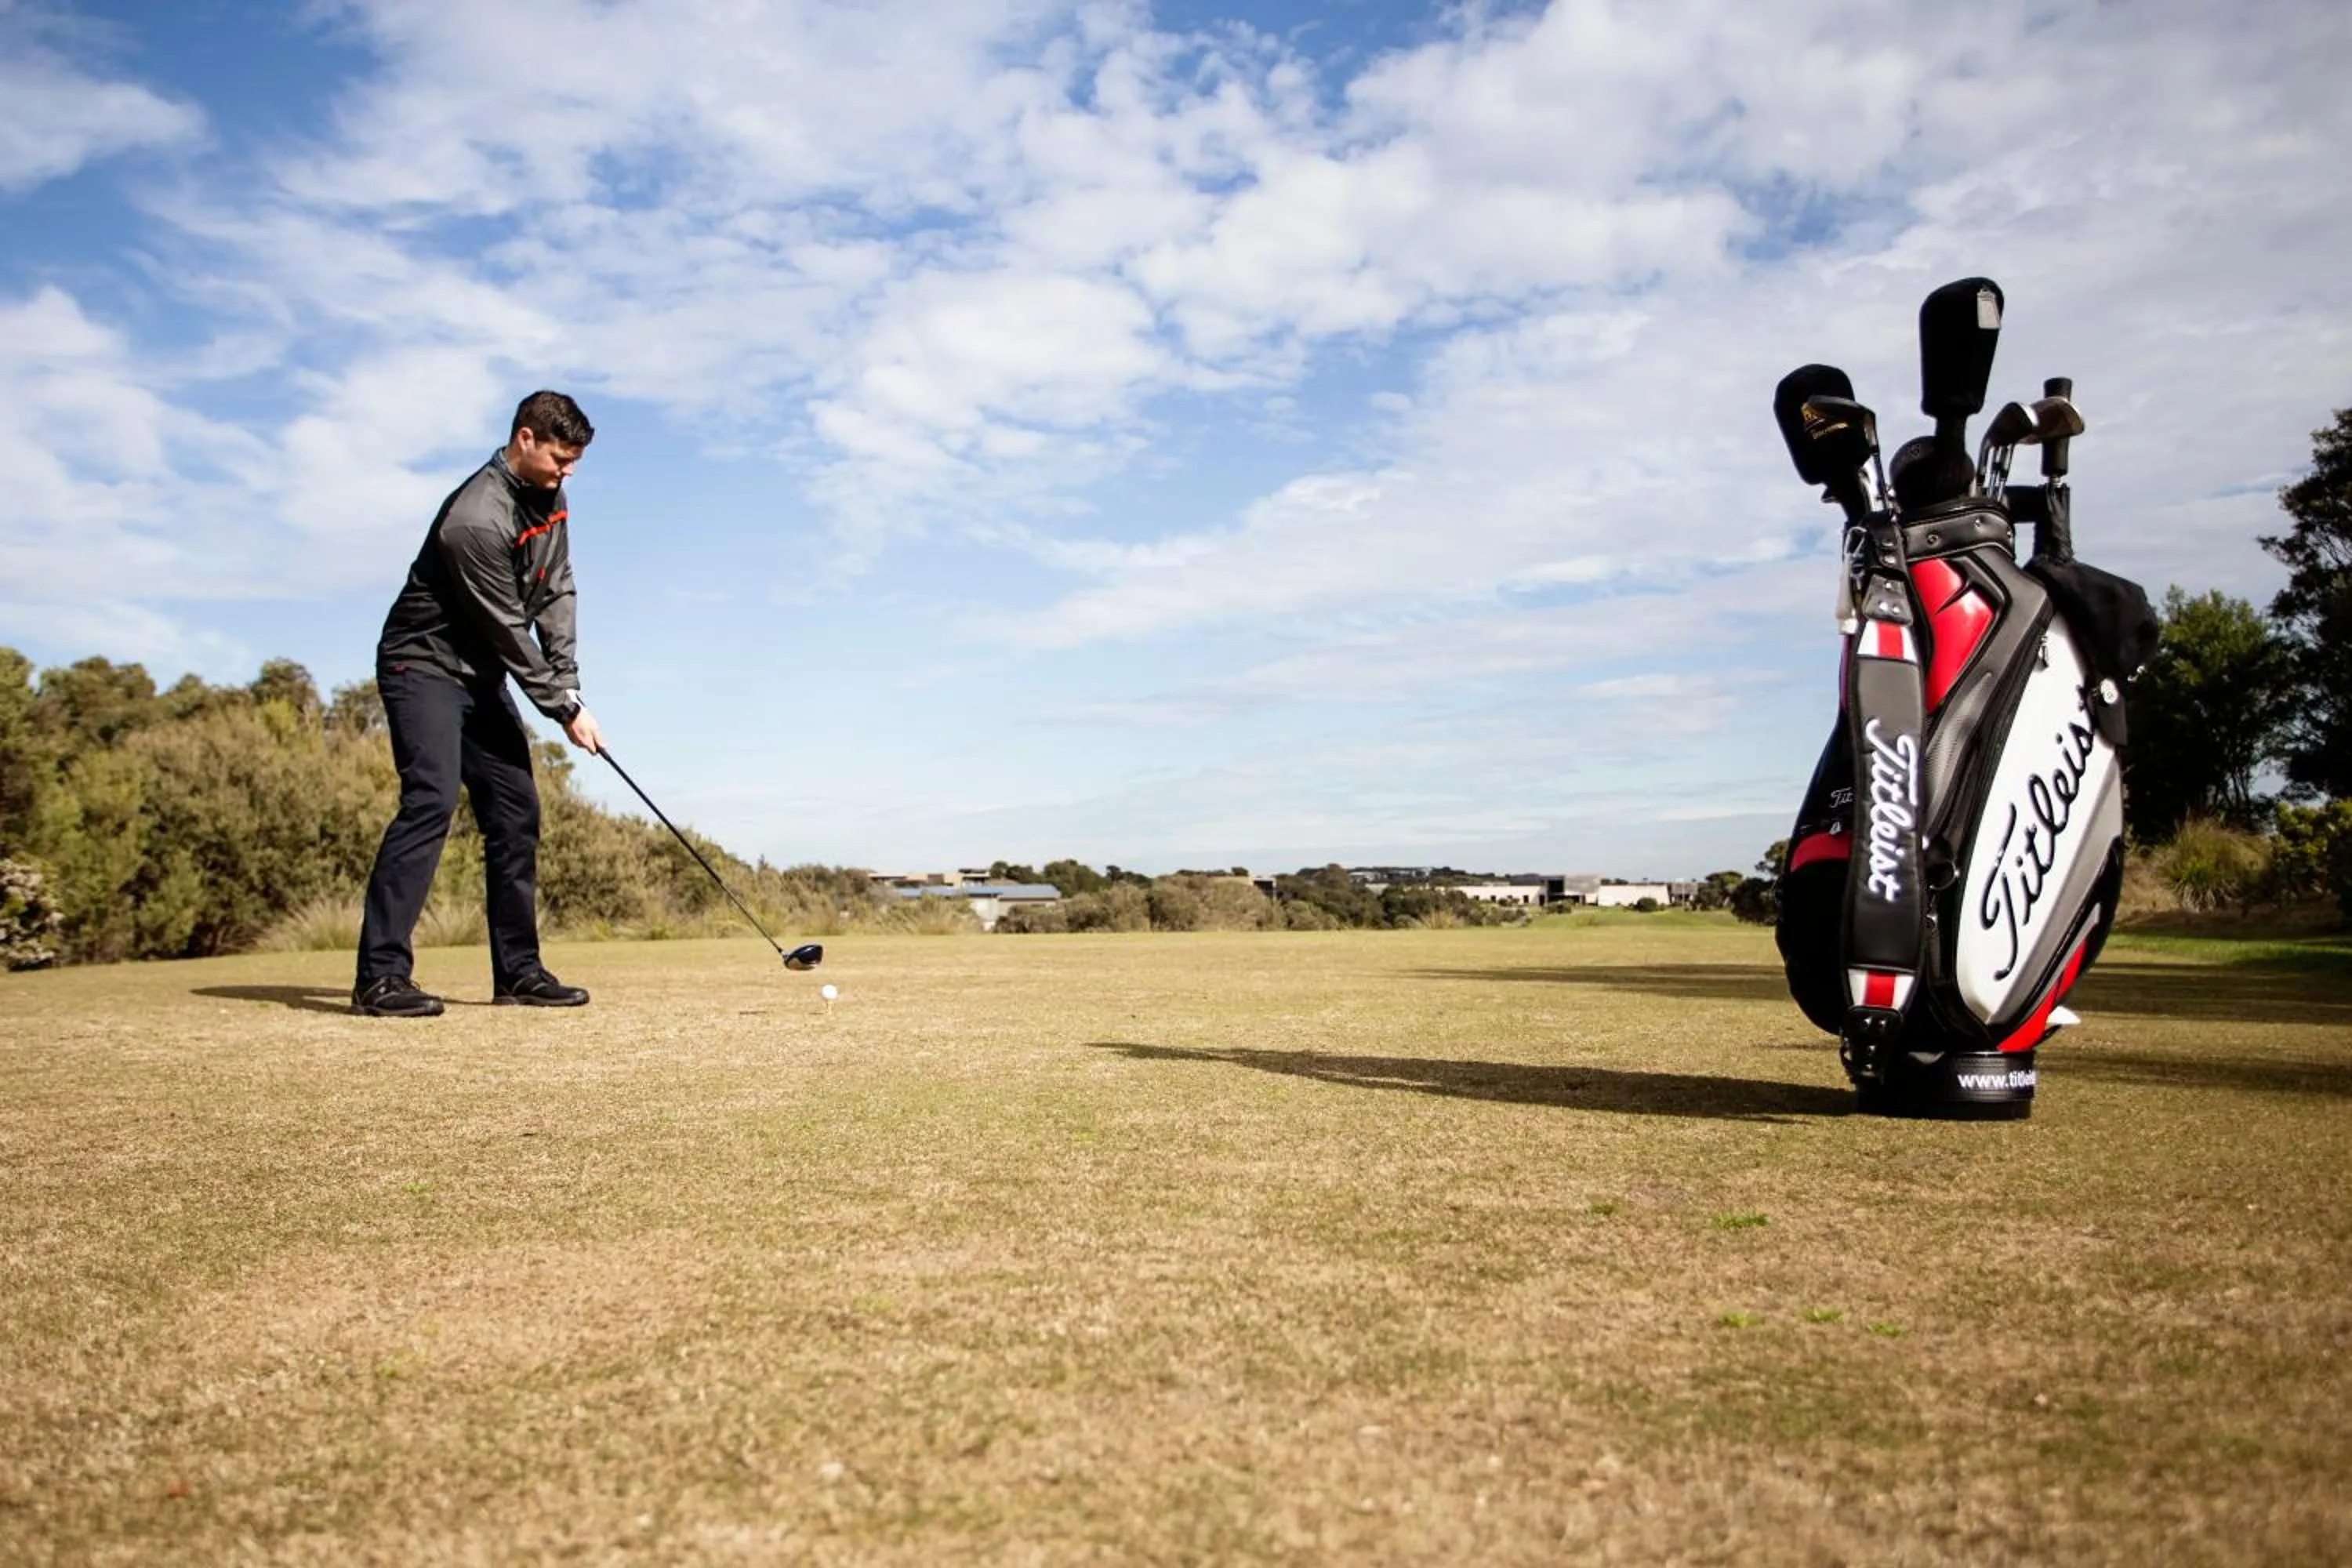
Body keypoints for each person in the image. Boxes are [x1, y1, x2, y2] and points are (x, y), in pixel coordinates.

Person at [352, 390, 607, 1017]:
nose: (567, 471)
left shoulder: (552, 497)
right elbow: (507, 630)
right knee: (431, 799)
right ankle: (380, 977)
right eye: (559, 457)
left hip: (481, 674)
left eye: (575, 461)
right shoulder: (474, 519)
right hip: (425, 665)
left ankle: (518, 972)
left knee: (516, 812)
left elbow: (556, 591)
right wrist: (563, 711)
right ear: (525, 438)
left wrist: (569, 684)